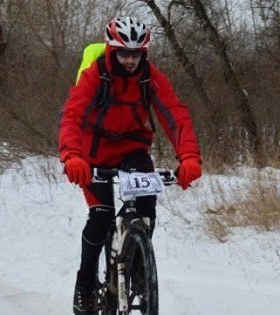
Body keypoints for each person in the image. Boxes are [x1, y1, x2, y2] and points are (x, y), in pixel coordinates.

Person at [58, 17, 202, 315]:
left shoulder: (151, 77)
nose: (129, 60)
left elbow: (175, 115)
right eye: (124, 53)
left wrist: (189, 157)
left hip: (132, 151)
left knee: (146, 210)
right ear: (112, 49)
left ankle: (136, 262)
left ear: (144, 53)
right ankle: (85, 282)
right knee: (101, 215)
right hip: (93, 153)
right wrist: (72, 155)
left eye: (136, 54)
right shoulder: (96, 76)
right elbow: (73, 115)